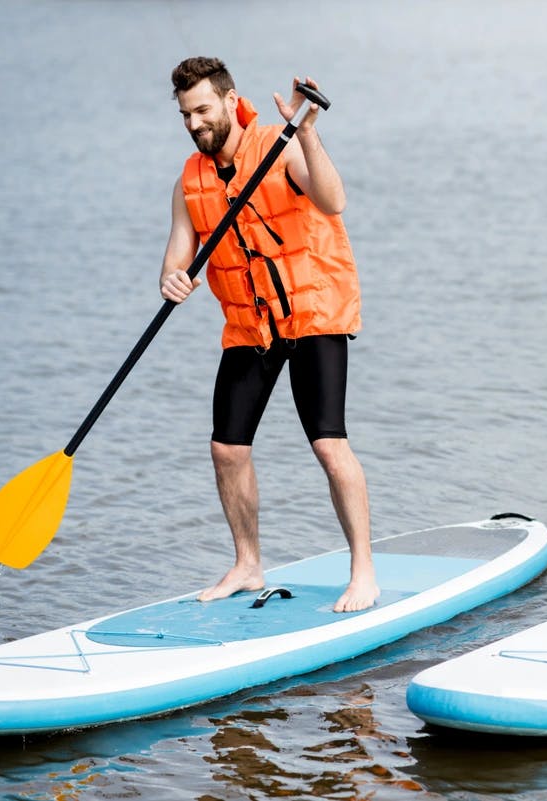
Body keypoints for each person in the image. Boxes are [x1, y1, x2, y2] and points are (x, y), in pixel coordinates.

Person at [159, 56, 379, 612]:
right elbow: (177, 255)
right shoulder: (190, 180)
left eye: (203, 110)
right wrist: (171, 278)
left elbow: (334, 200)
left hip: (312, 312)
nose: (195, 123)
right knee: (226, 448)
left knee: (329, 445)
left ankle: (364, 572)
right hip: (250, 325)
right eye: (186, 114)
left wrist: (306, 133)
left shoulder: (279, 147)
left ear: (232, 102)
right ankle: (248, 563)